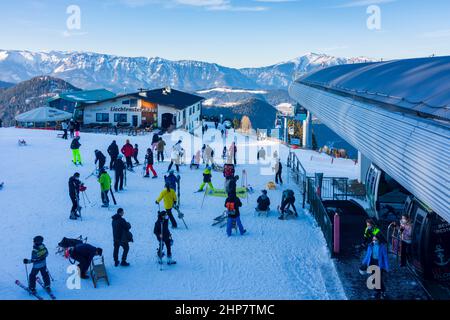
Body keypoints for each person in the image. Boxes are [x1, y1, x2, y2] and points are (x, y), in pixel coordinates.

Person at [360, 234, 389, 299]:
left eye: (376, 240)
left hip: (379, 264)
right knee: (375, 278)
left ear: (379, 240)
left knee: (378, 278)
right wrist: (363, 262)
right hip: (372, 262)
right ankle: (378, 291)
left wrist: (387, 267)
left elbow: (385, 257)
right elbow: (367, 255)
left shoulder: (382, 247)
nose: (374, 241)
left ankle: (382, 291)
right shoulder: (370, 246)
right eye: (373, 240)